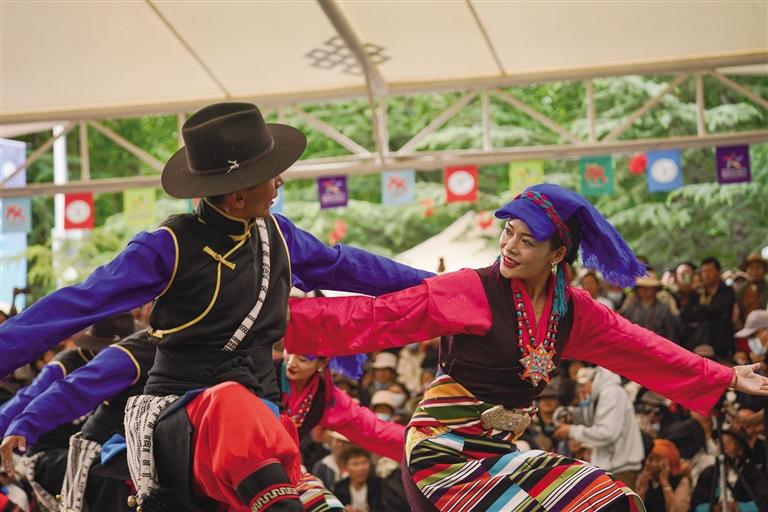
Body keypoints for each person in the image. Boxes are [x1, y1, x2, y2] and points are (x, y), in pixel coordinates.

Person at [0, 103, 433, 511]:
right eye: (269, 176)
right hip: (183, 417)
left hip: (262, 419)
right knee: (232, 407)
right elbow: (77, 304)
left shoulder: (278, 236)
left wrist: (438, 285)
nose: (280, 182)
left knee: (276, 454)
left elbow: (348, 266)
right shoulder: (167, 247)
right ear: (237, 196)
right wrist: (23, 419)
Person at [284, 183, 768, 511]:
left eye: (527, 240)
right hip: (441, 454)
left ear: (557, 254)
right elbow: (376, 317)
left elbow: (641, 348)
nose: (510, 247)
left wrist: (724, 374)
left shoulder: (574, 312)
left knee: (610, 500)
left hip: (499, 453)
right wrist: (275, 322)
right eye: (507, 231)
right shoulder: (471, 290)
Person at [1, 329, 155, 512]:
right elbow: (27, 398)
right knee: (108, 476)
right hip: (48, 452)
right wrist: (19, 426)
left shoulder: (131, 364)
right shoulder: (65, 364)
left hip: (94, 447)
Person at [554, 366, 644, 487]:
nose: (581, 404)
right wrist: (567, 420)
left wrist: (571, 431)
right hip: (610, 467)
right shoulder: (598, 395)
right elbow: (586, 421)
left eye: (578, 402)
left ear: (581, 388)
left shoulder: (611, 393)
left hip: (622, 469)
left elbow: (606, 433)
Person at [681, 257, 736, 358]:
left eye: (710, 271)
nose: (706, 275)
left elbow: (720, 310)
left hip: (721, 341)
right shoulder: (697, 292)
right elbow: (687, 314)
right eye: (704, 271)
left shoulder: (726, 291)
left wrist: (699, 310)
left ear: (718, 272)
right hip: (699, 340)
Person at [621, 271, 681, 343]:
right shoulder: (631, 307)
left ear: (655, 289)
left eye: (649, 287)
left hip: (658, 345)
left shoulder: (663, 308)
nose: (645, 290)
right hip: (635, 345)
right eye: (642, 287)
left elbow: (671, 333)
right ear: (637, 289)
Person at [634, 438, 692, 512]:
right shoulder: (643, 478)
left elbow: (677, 510)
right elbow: (634, 508)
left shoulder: (682, 481)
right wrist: (642, 490)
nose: (651, 464)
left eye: (657, 460)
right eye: (650, 459)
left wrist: (665, 483)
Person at [333, 447, 383, 512]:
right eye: (355, 464)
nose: (361, 468)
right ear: (346, 467)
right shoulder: (340, 487)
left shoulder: (379, 485)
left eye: (364, 463)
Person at [736, 254, 768, 328]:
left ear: (764, 270)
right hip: (744, 329)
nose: (755, 271)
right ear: (747, 270)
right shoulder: (740, 290)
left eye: (758, 268)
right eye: (751, 268)